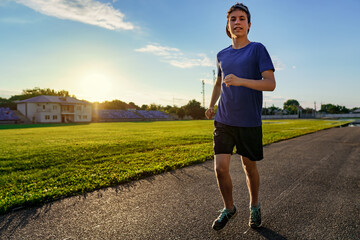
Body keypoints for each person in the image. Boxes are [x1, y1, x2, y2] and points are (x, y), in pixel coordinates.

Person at [205, 3, 276, 231]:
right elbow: (218, 82)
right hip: (224, 119)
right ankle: (229, 208)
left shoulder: (257, 49)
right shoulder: (221, 55)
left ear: (249, 24)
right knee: (220, 168)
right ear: (228, 26)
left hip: (249, 121)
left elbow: (270, 84)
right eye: (233, 19)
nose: (237, 22)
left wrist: (241, 81)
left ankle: (254, 205)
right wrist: (210, 106)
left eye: (242, 19)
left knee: (249, 168)